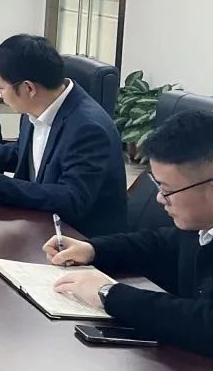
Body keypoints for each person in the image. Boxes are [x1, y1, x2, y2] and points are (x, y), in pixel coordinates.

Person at [0, 34, 126, 237]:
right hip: (37, 223)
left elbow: (70, 199)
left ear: (28, 88)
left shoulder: (88, 128)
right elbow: (20, 153)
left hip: (76, 239)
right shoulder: (37, 106)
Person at [47, 110, 213, 357]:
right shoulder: (200, 225)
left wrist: (109, 294)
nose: (159, 199)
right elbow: (162, 243)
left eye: (167, 190)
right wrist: (93, 249)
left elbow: (206, 325)